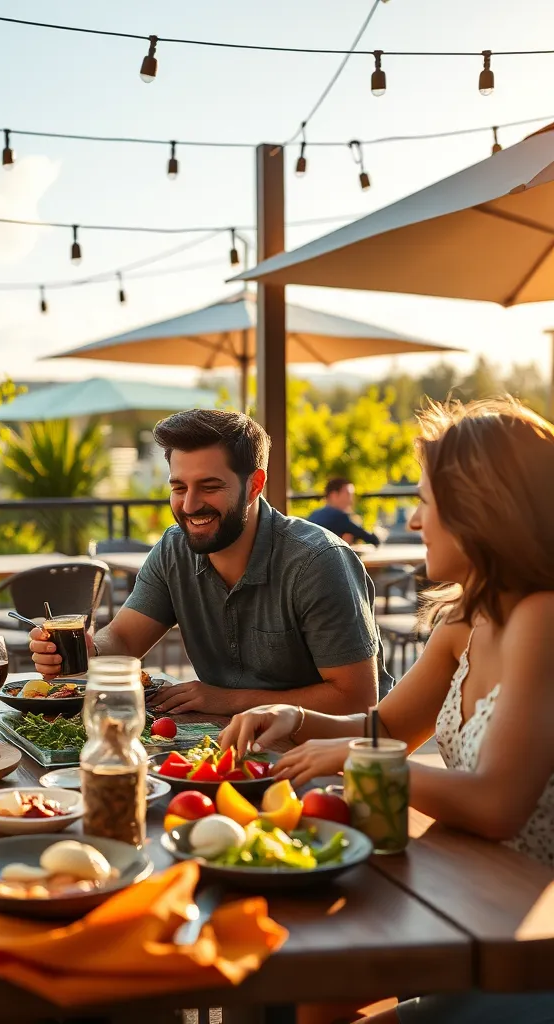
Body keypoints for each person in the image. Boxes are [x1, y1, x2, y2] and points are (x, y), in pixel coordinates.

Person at [220, 397, 554, 1024]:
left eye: (426, 502)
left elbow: (498, 804)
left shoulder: (544, 615)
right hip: (473, 898)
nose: (415, 521)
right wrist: (295, 719)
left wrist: (357, 756)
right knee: (323, 973)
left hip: (529, 940)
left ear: (479, 509)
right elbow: (387, 728)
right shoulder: (466, 620)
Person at [31, 408, 390, 716]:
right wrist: (85, 650)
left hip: (333, 762)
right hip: (228, 744)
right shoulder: (175, 550)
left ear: (254, 485)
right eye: (179, 487)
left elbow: (356, 701)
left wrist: (228, 700)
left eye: (209, 486)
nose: (189, 506)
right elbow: (123, 639)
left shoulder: (316, 562)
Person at [307, 477, 381, 546]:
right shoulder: (339, 517)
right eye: (348, 494)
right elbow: (372, 540)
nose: (351, 501)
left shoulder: (314, 515)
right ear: (334, 495)